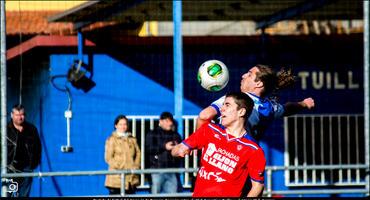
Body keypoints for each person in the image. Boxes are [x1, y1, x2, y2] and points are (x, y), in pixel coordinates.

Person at [172, 92, 265, 197]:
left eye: (227, 105)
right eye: (223, 105)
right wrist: (178, 149)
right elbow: (176, 150)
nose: (222, 109)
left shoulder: (253, 150)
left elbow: (258, 186)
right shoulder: (209, 130)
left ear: (241, 112)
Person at [197, 64, 315, 140]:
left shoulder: (237, 100)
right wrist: (304, 104)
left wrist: (195, 144)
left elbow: (204, 116)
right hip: (245, 163)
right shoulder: (270, 108)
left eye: (249, 74)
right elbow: (287, 108)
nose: (243, 76)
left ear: (259, 83)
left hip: (222, 159)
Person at [5, 104, 42, 197]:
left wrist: (34, 163)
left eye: (22, 114)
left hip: (27, 169)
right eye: (17, 115)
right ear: (12, 115)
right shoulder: (6, 130)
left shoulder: (31, 129)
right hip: (11, 169)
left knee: (24, 195)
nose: (20, 117)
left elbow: (38, 147)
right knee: (11, 193)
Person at [145, 112, 182, 194]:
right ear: (160, 121)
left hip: (172, 170)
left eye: (170, 121)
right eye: (167, 121)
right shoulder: (152, 133)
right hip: (156, 170)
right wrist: (164, 146)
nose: (169, 123)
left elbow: (182, 152)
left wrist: (177, 149)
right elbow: (148, 149)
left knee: (172, 196)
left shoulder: (176, 135)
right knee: (155, 195)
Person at [104, 115, 141, 195]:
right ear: (116, 125)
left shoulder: (132, 139)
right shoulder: (111, 139)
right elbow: (108, 158)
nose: (123, 126)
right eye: (120, 124)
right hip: (116, 178)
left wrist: (136, 165)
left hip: (131, 177)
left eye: (125, 124)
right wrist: (120, 167)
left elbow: (138, 153)